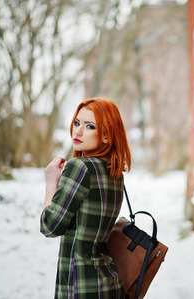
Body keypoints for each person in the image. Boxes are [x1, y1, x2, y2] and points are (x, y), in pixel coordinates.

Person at [40, 98, 131, 298]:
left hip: (80, 286)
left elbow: (50, 226)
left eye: (90, 126)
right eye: (77, 123)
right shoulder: (115, 173)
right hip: (110, 283)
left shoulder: (80, 167)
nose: (78, 131)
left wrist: (51, 183)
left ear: (107, 136)